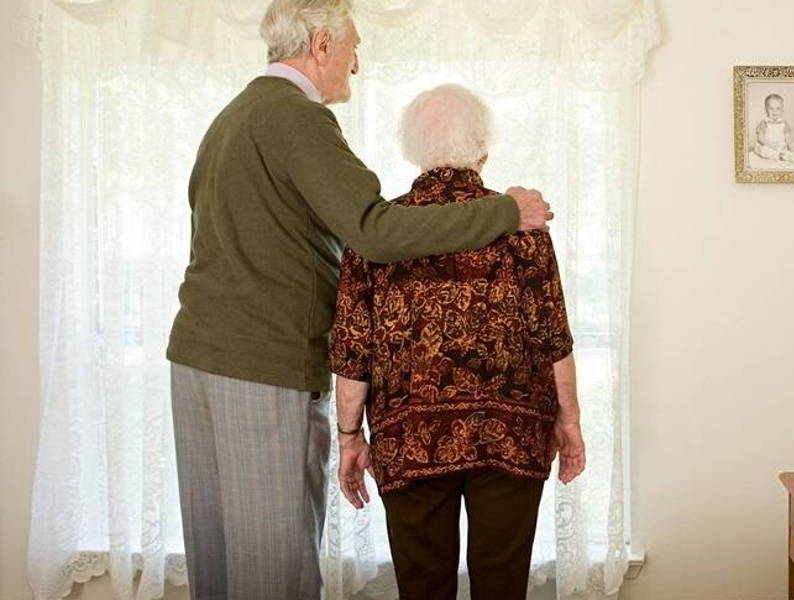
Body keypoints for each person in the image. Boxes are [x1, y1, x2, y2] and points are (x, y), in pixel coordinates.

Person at [165, 1, 554, 599]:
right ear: (321, 45)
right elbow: (375, 230)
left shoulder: (233, 116)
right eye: (353, 47)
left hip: (199, 357)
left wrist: (351, 430)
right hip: (259, 362)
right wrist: (506, 211)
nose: (357, 64)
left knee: (218, 563)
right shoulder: (295, 116)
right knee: (275, 568)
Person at [330, 83, 586, 600]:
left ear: (414, 151)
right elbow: (552, 335)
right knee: (502, 585)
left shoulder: (378, 232)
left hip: (410, 440)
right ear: (482, 150)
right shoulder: (523, 223)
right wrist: (570, 420)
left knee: (423, 588)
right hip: (511, 436)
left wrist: (350, 437)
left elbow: (353, 351)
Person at [753, 93, 794, 162]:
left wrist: (790, 144)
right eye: (771, 108)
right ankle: (782, 156)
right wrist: (770, 144)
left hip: (781, 145)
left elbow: (787, 137)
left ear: (782, 109)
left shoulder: (784, 123)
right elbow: (760, 138)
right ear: (766, 110)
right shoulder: (764, 122)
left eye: (778, 108)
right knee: (763, 150)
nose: (774, 111)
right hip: (768, 145)